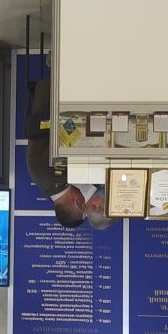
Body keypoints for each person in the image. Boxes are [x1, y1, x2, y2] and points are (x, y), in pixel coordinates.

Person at [25, 78, 114, 230]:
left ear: (76, 202)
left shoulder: (50, 176)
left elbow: (67, 132)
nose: (85, 200)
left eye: (84, 205)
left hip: (54, 92)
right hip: (60, 97)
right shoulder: (52, 183)